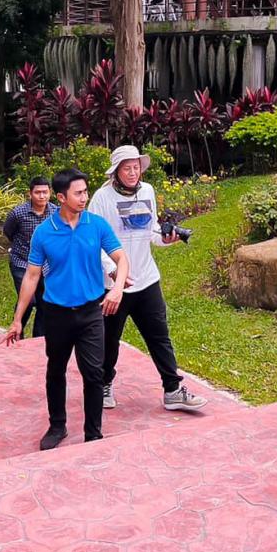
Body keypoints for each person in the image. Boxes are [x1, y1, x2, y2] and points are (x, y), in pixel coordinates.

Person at [3, 168, 130, 451]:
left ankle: (93, 433)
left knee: (93, 373)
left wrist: (118, 288)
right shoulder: (44, 232)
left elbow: (121, 259)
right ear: (61, 197)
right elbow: (32, 276)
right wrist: (17, 319)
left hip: (91, 313)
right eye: (78, 193)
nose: (84, 197)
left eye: (85, 191)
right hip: (57, 314)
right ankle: (57, 426)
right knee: (55, 371)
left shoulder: (96, 225)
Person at [88, 145, 207, 412]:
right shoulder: (102, 198)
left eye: (136, 167)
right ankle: (104, 384)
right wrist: (113, 271)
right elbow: (93, 241)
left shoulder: (148, 191)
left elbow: (150, 230)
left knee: (159, 337)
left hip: (147, 280)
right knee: (108, 340)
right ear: (116, 171)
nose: (133, 173)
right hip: (114, 286)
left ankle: (173, 390)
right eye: (127, 168)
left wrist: (167, 239)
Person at [3, 176, 56, 338]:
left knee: (45, 302)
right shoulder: (18, 213)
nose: (42, 196)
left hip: (45, 265)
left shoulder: (55, 212)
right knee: (28, 300)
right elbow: (8, 232)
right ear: (30, 193)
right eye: (38, 192)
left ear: (50, 192)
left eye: (45, 192)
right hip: (22, 262)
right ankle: (17, 331)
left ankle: (38, 338)